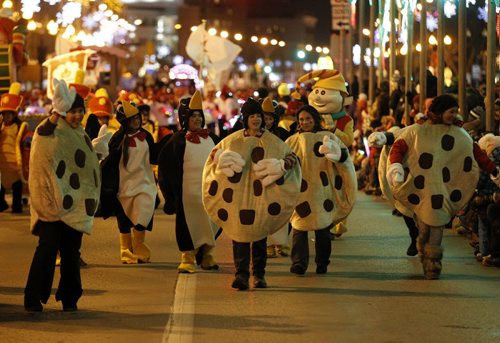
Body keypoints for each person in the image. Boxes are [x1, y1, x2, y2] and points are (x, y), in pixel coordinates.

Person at [388, 94, 500, 279]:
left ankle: (433, 264)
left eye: (456, 111)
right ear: (440, 112)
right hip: (422, 189)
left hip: (443, 190)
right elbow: (400, 146)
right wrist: (395, 166)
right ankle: (423, 250)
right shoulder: (418, 131)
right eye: (451, 111)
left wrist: (492, 170)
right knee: (424, 229)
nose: (454, 115)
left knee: (437, 226)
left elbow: (475, 152)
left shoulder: (458, 134)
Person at [203, 97, 301, 290]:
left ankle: (259, 274)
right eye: (252, 116)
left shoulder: (272, 140)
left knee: (259, 235)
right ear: (245, 118)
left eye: (259, 116)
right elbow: (214, 153)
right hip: (238, 197)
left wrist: (281, 165)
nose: (256, 119)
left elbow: (291, 156)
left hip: (263, 196)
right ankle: (241, 274)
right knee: (238, 235)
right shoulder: (234, 138)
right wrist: (221, 157)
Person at [24, 78, 100, 312]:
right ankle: (33, 296)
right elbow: (43, 143)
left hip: (74, 204)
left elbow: (85, 168)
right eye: (73, 111)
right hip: (50, 203)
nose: (77, 116)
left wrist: (98, 153)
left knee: (71, 252)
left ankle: (69, 296)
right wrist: (56, 113)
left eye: (80, 111)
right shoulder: (50, 128)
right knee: (47, 248)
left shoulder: (80, 133)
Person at [286, 105, 356, 274]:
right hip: (300, 191)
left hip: (322, 191)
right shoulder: (292, 141)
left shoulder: (328, 137)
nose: (305, 122)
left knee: (322, 229)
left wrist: (338, 155)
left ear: (315, 119)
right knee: (299, 228)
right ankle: (299, 263)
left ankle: (322, 262)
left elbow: (343, 157)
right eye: (301, 119)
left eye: (308, 119)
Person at [158, 90, 220, 273]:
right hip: (187, 195)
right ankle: (188, 257)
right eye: (193, 117)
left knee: (211, 222)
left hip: (210, 193)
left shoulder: (213, 139)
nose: (197, 120)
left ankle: (207, 254)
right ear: (185, 119)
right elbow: (166, 170)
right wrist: (170, 196)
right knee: (187, 225)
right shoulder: (176, 142)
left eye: (199, 116)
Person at [100, 100, 158, 264]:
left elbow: (154, 156)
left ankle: (139, 245)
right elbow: (109, 160)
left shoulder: (146, 136)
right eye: (132, 119)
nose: (137, 121)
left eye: (137, 118)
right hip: (124, 184)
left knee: (144, 211)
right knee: (124, 217)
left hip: (144, 182)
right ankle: (125, 250)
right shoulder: (118, 138)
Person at [0, 82, 28, 213]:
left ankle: (17, 205)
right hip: (2, 163)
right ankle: (2, 203)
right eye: (4, 114)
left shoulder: (20, 126)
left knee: (17, 186)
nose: (6, 117)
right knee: (1, 186)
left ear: (14, 114)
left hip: (16, 163)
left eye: (8, 114)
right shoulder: (1, 127)